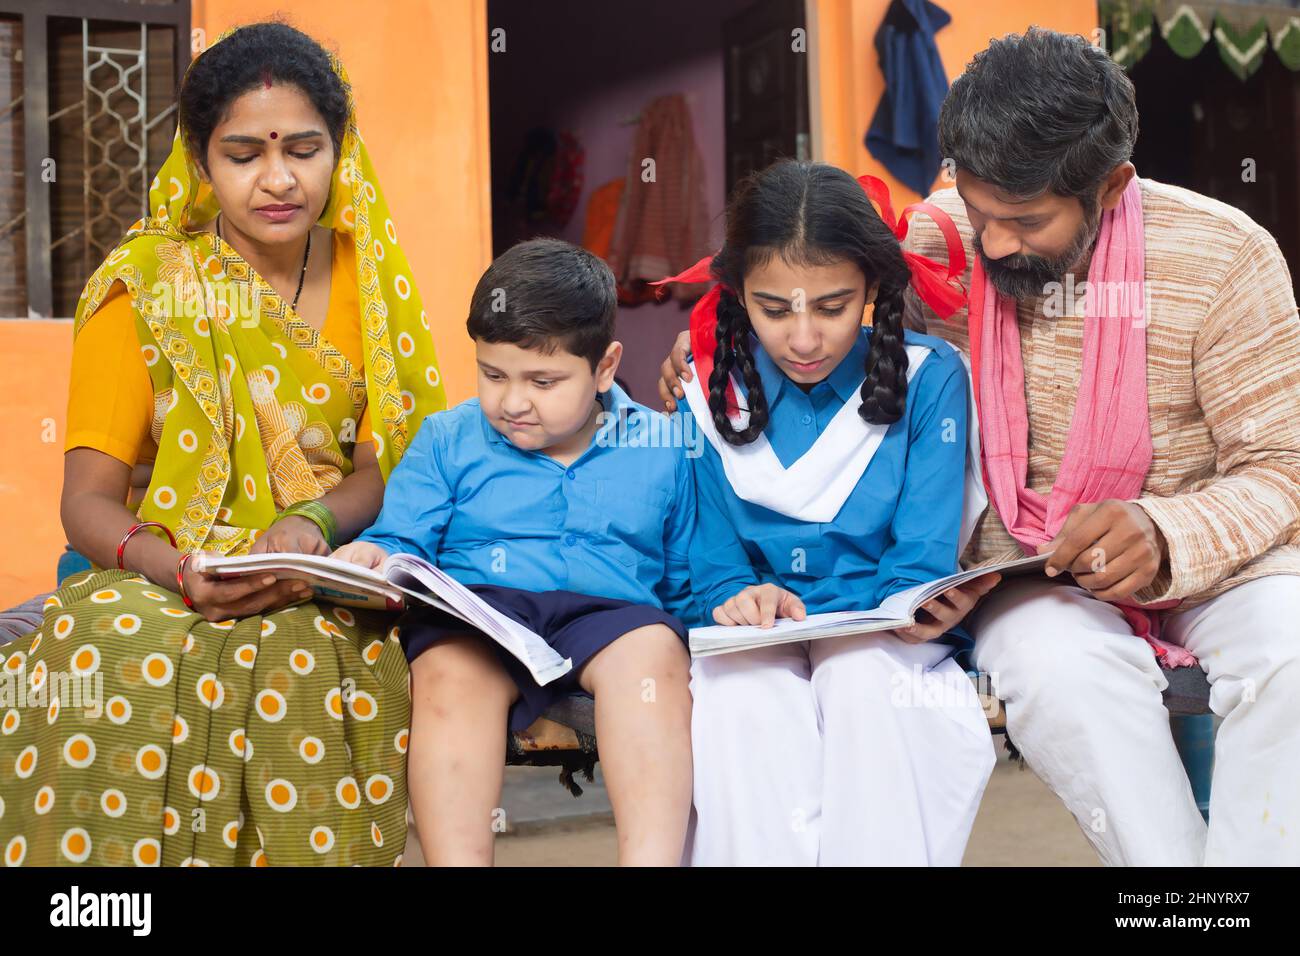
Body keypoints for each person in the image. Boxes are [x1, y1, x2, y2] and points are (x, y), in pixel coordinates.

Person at [663, 29, 1300, 867]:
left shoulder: (1223, 256)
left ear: (1110, 186)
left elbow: (1282, 467)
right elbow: (812, 324)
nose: (993, 245)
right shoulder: (936, 243)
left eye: (1026, 221)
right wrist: (711, 347)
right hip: (1030, 578)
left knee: (1290, 652)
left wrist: (1162, 531)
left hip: (1225, 568)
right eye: (979, 209)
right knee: (1063, 677)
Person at [0, 21, 444, 866]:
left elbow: (394, 464)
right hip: (165, 572)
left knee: (302, 662)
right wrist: (179, 572)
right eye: (243, 154)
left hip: (326, 573)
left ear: (339, 154)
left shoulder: (370, 279)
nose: (278, 179)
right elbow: (85, 504)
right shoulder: (147, 286)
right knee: (112, 652)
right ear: (201, 165)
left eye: (304, 149)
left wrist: (310, 524)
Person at [664, 160, 997, 865]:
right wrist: (735, 597)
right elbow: (711, 553)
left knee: (859, 683)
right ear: (738, 295)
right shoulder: (706, 391)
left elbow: (920, 557)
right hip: (756, 637)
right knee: (739, 700)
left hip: (885, 634)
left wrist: (850, 624)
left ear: (873, 288)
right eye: (774, 309)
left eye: (833, 305)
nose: (805, 339)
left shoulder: (929, 378)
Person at [334, 238, 695, 866]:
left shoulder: (664, 446)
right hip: (481, 615)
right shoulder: (447, 439)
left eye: (544, 381)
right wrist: (373, 555)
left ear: (605, 368)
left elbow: (689, 574)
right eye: (493, 375)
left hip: (612, 616)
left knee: (654, 659)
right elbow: (402, 541)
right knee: (447, 676)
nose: (513, 401)